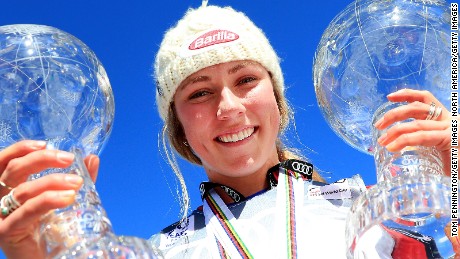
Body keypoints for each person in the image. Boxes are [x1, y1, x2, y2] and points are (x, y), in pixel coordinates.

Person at [0, 3, 453, 259]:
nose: (228, 107)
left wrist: (450, 185)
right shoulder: (163, 251)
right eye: (199, 92)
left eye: (245, 80)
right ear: (178, 126)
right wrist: (30, 252)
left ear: (277, 100)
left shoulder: (374, 209)